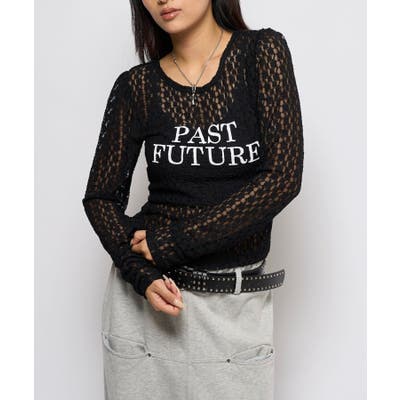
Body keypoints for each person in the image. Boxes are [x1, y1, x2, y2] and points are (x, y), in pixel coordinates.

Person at [82, 0, 304, 398]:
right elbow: (100, 197)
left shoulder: (261, 54)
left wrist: (175, 242)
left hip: (234, 309)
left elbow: (282, 179)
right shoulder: (137, 87)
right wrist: (141, 273)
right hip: (147, 305)